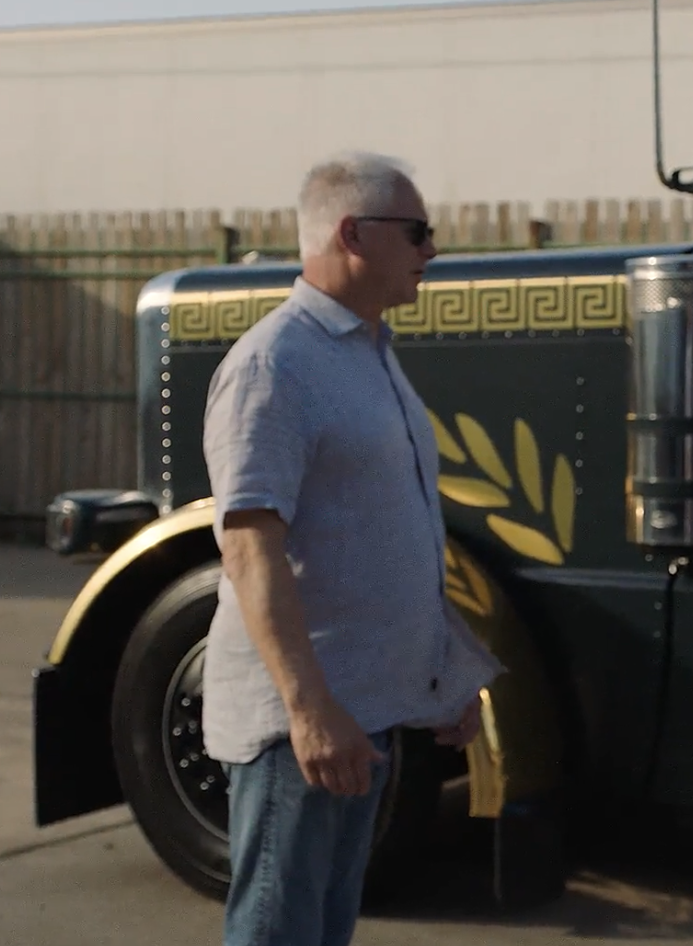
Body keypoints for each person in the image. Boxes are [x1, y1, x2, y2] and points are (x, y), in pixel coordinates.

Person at [201, 151, 504, 946]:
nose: (430, 251)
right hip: (304, 731)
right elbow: (250, 550)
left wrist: (442, 674)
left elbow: (389, 534)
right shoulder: (274, 366)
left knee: (320, 930)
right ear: (352, 235)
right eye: (418, 232)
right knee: (278, 930)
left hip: (359, 717)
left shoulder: (365, 351)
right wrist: (309, 714)